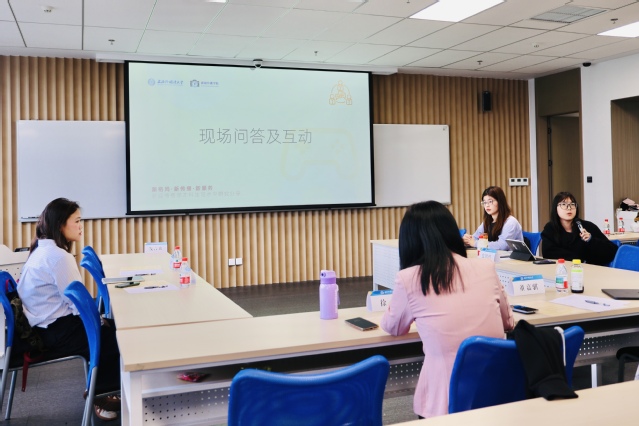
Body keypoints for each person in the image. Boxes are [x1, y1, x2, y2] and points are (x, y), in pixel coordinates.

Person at [381, 201, 514, 419]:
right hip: (496, 395)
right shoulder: (486, 267)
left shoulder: (409, 278)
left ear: (410, 241)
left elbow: (393, 327)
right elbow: (508, 322)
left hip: (444, 404)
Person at [17, 198, 121, 421]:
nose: (81, 226)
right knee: (117, 338)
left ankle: (101, 390)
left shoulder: (42, 250)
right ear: (60, 225)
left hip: (44, 327)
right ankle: (101, 396)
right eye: (77, 221)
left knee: (112, 329)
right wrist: (100, 322)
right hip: (56, 331)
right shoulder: (58, 257)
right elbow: (78, 303)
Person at [541, 192, 618, 266]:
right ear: (555, 208)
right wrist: (578, 259)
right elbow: (548, 252)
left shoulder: (588, 227)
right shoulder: (550, 228)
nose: (569, 208)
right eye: (564, 204)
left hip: (590, 270)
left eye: (572, 204)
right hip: (561, 269)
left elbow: (612, 250)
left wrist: (591, 240)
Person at [463, 185, 523, 251]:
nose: (487, 205)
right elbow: (475, 238)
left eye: (490, 201)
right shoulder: (487, 222)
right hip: (494, 256)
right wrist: (467, 240)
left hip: (510, 257)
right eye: (484, 202)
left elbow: (502, 246)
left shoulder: (510, 222)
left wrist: (475, 243)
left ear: (500, 202)